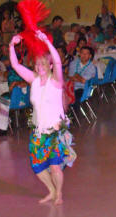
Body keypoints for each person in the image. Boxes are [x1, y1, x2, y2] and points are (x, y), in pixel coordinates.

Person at [9, 30, 76, 205]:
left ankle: (59, 193)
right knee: (37, 166)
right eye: (38, 65)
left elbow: (59, 60)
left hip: (55, 130)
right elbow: (16, 66)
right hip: (38, 131)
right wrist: (11, 45)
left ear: (50, 66)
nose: (40, 68)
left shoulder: (56, 81)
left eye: (44, 65)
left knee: (54, 166)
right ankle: (51, 191)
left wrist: (46, 42)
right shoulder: (34, 80)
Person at [68, 46, 96, 111]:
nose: (84, 55)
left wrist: (76, 75)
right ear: (79, 54)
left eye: (86, 54)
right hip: (70, 87)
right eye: (82, 53)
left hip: (82, 89)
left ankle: (75, 117)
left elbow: (84, 81)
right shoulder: (73, 63)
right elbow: (70, 77)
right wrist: (80, 78)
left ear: (90, 56)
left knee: (74, 98)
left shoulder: (91, 67)